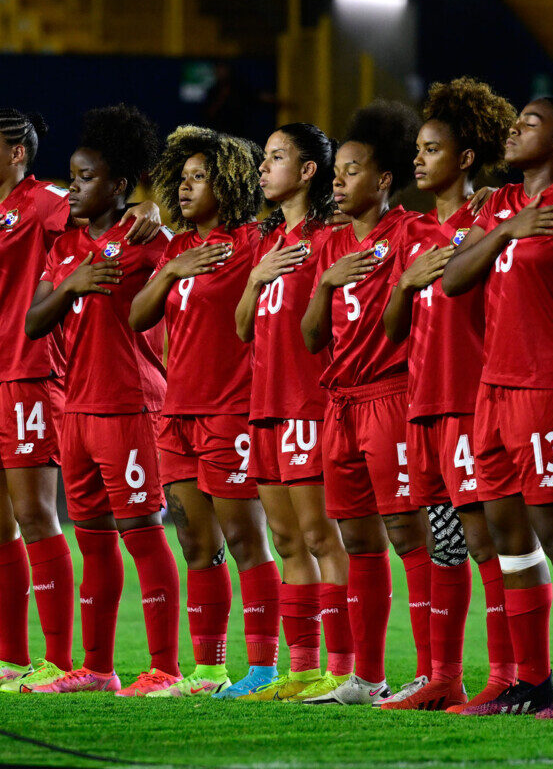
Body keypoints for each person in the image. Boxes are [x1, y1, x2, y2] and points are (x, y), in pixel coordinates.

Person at [0, 108, 161, 692]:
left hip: (29, 376)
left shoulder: (46, 202)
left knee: (34, 514)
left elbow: (104, 218)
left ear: (18, 154)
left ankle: (57, 657)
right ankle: (10, 658)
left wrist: (149, 211)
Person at [440, 97, 553, 718]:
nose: (515, 130)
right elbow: (455, 278)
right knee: (509, 538)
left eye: (532, 123)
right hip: (493, 390)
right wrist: (506, 230)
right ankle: (529, 681)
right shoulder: (497, 205)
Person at [22, 104, 183, 696]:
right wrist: (71, 284)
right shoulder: (62, 246)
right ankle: (97, 669)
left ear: (119, 184)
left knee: (142, 532)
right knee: (92, 537)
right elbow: (34, 323)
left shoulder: (148, 241)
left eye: (86, 178)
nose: (74, 188)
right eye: (71, 175)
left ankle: (165, 669)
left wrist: (154, 215)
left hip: (132, 405)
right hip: (76, 408)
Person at [379, 77, 518, 712]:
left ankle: (507, 675)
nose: (417, 158)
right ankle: (443, 677)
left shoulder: (493, 212)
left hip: (472, 403)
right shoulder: (408, 232)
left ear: (465, 158)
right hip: (423, 405)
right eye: (417, 149)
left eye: (431, 149)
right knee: (444, 543)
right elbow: (391, 330)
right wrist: (403, 284)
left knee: (485, 539)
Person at [130, 126, 281, 698]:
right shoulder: (173, 249)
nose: (188, 187)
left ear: (231, 182)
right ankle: (210, 670)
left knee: (247, 542)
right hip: (177, 414)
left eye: (201, 177)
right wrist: (169, 270)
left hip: (232, 413)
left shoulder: (253, 243)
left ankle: (264, 669)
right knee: (197, 545)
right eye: (183, 177)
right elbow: (139, 317)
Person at [299, 101, 428, 705]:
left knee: (407, 534)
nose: (338, 181)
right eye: (336, 172)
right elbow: (310, 337)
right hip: (339, 404)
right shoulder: (327, 247)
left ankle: (431, 670)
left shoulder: (408, 232)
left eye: (351, 171)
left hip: (390, 398)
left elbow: (464, 228)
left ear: (381, 180)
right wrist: (325, 283)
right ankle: (366, 677)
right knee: (358, 542)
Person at [233, 123, 355, 702]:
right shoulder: (264, 243)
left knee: (319, 534)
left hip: (307, 402)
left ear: (309, 171)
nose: (264, 168)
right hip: (264, 406)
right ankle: (303, 670)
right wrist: (256, 279)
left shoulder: (330, 237)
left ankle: (344, 666)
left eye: (276, 157)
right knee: (285, 538)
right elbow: (241, 329)